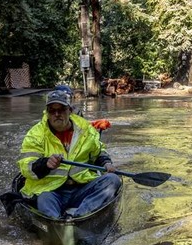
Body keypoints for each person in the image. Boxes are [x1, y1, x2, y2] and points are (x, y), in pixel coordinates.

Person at [17, 89, 122, 218]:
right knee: (44, 200)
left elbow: (99, 151)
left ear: (70, 111)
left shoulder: (86, 130)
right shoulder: (35, 134)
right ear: (47, 113)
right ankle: (58, 225)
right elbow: (26, 167)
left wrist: (106, 163)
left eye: (61, 109)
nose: (57, 114)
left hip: (81, 188)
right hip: (51, 191)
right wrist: (45, 164)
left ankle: (80, 217)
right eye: (52, 110)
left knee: (113, 180)